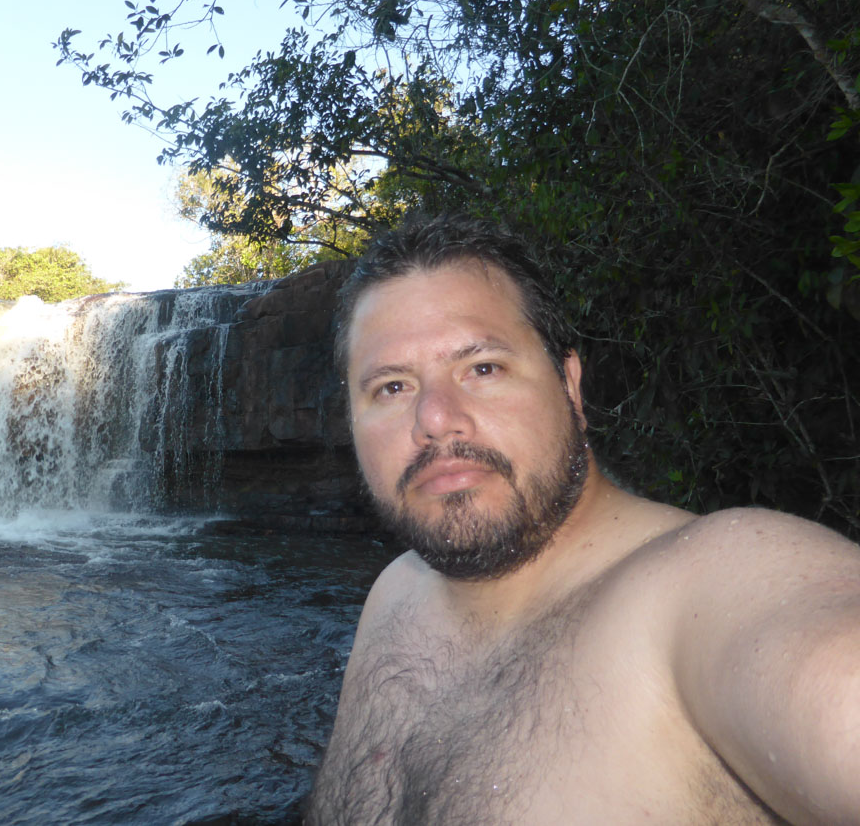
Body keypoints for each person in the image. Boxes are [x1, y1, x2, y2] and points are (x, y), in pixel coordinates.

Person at [306, 214, 860, 825]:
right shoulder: (393, 594)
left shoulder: (706, 591)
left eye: (483, 368)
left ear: (569, 385)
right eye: (391, 387)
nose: (435, 418)